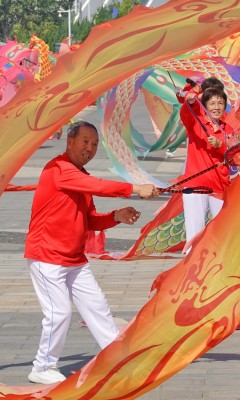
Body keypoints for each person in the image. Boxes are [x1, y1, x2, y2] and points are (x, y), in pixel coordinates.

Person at [24, 121, 158, 385]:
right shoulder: (58, 169)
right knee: (58, 312)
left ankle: (116, 357)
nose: (90, 148)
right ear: (70, 141)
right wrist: (134, 188)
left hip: (74, 258)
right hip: (47, 256)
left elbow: (90, 220)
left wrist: (116, 216)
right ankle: (42, 366)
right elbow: (98, 185)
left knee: (98, 307)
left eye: (94, 144)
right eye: (85, 141)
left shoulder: (79, 175)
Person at [179, 87, 234, 251]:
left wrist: (221, 146)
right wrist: (189, 102)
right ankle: (191, 267)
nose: (216, 107)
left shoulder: (228, 129)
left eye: (220, 103)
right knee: (195, 232)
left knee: (223, 231)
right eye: (212, 103)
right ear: (205, 106)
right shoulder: (196, 123)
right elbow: (188, 113)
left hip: (220, 186)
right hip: (196, 185)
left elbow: (234, 157)